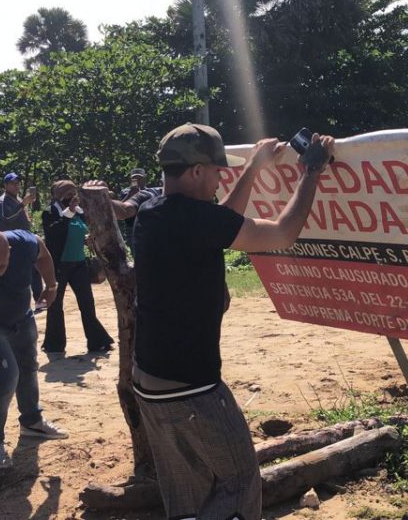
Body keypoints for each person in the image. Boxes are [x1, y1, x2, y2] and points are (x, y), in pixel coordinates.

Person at [128, 123, 334, 520]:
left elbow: (218, 220)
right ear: (196, 171)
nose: (222, 178)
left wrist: (254, 168)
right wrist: (312, 171)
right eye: (218, 171)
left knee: (185, 494)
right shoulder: (194, 218)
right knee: (239, 484)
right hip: (192, 387)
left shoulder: (153, 211)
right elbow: (283, 233)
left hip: (150, 381)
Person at [0, 229, 68, 470]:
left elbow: (42, 252)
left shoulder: (23, 243)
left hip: (21, 316)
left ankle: (32, 421)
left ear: (9, 253)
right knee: (6, 376)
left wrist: (51, 285)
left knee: (28, 366)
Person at [41, 180, 114, 355]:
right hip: (59, 265)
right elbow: (53, 234)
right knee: (55, 304)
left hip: (79, 264)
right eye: (67, 194)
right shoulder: (49, 213)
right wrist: (67, 214)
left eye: (73, 193)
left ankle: (97, 341)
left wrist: (87, 238)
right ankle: (54, 344)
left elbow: (81, 230)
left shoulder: (79, 213)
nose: (71, 197)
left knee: (87, 303)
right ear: (57, 196)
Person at [0, 172, 43, 302]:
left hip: (24, 240)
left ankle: (38, 298)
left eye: (18, 183)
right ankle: (13, 301)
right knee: (17, 274)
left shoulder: (17, 199)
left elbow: (21, 215)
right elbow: (7, 218)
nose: (16, 186)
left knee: (34, 269)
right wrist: (23, 204)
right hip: (12, 243)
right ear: (5, 185)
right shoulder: (3, 201)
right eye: (12, 184)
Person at [118, 168, 161, 251]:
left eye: (140, 178)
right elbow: (122, 207)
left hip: (150, 228)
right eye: (135, 178)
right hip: (132, 228)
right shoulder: (125, 192)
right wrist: (131, 194)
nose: (137, 180)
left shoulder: (151, 191)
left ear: (145, 178)